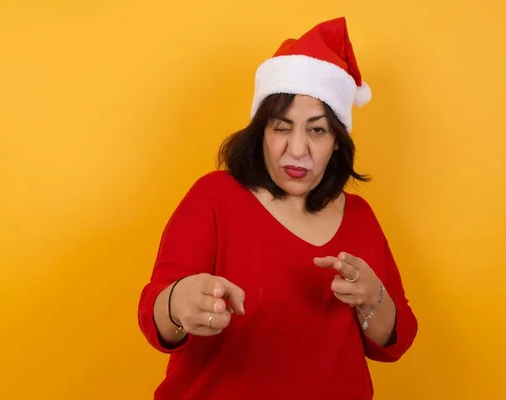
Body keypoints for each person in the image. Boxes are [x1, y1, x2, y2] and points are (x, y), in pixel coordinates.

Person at [137, 16, 418, 400]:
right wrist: (177, 302)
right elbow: (157, 320)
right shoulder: (214, 197)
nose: (297, 149)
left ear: (337, 141)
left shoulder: (360, 217)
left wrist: (373, 297)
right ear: (261, 133)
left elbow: (394, 343)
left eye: (317, 130)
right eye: (281, 128)